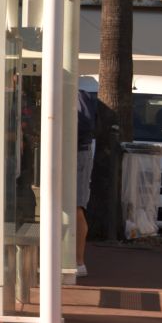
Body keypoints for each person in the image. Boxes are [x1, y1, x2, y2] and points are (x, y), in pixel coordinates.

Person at [76, 89, 98, 277]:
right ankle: (77, 260)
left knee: (76, 207)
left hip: (76, 153)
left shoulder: (74, 96)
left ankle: (78, 261)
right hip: (78, 151)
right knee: (76, 207)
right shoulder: (79, 95)